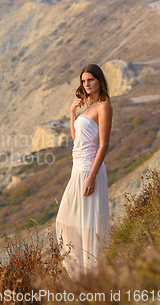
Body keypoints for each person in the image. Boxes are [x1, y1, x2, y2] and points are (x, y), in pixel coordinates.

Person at [55, 63, 113, 281]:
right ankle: (81, 275)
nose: (86, 84)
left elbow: (104, 145)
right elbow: (76, 138)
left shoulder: (104, 107)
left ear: (99, 81)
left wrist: (91, 177)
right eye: (83, 81)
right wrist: (72, 111)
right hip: (76, 170)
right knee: (64, 221)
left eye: (90, 80)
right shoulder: (87, 107)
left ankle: (93, 276)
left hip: (90, 171)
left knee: (90, 225)